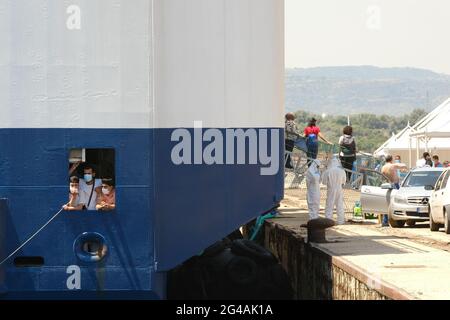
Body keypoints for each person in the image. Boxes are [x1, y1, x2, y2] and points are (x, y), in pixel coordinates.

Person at [381, 155, 408, 226]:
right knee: (397, 202)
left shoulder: (383, 167)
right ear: (391, 160)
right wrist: (405, 167)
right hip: (394, 185)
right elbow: (403, 165)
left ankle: (385, 221)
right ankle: (398, 219)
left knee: (386, 203)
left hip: (386, 185)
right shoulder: (392, 166)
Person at [321, 157, 347, 225]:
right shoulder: (342, 171)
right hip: (339, 189)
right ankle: (341, 221)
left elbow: (324, 182)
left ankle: (328, 220)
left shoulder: (328, 171)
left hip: (331, 189)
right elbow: (343, 181)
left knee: (329, 204)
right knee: (339, 205)